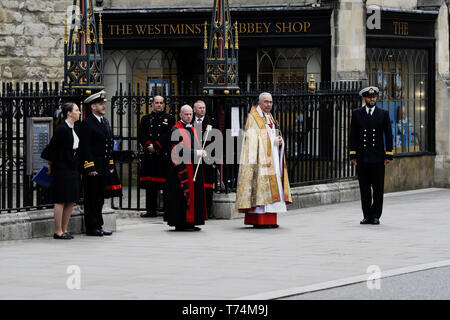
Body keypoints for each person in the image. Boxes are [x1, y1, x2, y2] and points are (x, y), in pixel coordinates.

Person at [235, 92, 292, 228]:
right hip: (260, 161)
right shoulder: (253, 118)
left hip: (272, 158)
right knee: (261, 188)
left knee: (274, 186)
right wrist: (272, 141)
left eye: (271, 102)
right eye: (266, 102)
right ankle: (259, 220)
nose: (269, 105)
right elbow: (251, 139)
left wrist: (279, 141)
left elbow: (274, 133)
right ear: (259, 103)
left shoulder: (270, 117)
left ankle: (271, 219)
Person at [349, 86, 393, 225]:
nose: (372, 99)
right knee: (364, 188)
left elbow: (389, 135)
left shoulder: (383, 114)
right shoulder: (357, 113)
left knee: (378, 188)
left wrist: (389, 154)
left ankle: (376, 216)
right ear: (365, 98)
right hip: (362, 157)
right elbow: (353, 135)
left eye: (374, 97)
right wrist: (353, 154)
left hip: (378, 157)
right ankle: (367, 215)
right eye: (369, 97)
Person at [41, 102, 81, 240]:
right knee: (61, 199)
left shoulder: (73, 127)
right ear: (69, 113)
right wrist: (51, 166)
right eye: (77, 110)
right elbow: (50, 150)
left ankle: (65, 229)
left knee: (71, 200)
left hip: (72, 168)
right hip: (62, 169)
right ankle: (58, 231)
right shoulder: (62, 129)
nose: (79, 112)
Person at [165, 105, 207, 231]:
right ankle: (181, 223)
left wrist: (201, 151)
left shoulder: (192, 128)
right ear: (181, 115)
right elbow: (178, 150)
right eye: (186, 114)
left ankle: (191, 222)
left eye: (190, 114)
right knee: (181, 197)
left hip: (193, 167)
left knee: (195, 196)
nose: (189, 117)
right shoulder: (176, 130)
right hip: (181, 170)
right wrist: (196, 153)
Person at [78, 90, 114, 236]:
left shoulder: (104, 121)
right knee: (91, 197)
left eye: (103, 104)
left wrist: (110, 164)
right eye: (100, 104)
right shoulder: (87, 123)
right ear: (93, 107)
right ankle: (92, 226)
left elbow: (109, 144)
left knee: (100, 197)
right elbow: (85, 147)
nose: (103, 106)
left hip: (103, 164)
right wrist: (89, 166)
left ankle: (99, 224)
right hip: (93, 165)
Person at [138, 96, 175, 217]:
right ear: (152, 104)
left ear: (164, 105)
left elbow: (169, 134)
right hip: (149, 156)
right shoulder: (145, 119)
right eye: (156, 103)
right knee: (150, 186)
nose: (159, 105)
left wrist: (157, 145)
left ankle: (167, 210)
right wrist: (148, 145)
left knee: (165, 185)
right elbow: (141, 135)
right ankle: (151, 210)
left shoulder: (169, 119)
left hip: (162, 156)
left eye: (161, 103)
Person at [192, 100, 217, 218]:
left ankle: (208, 211)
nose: (202, 110)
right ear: (194, 109)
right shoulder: (190, 122)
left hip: (208, 159)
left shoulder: (212, 122)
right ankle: (197, 210)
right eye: (200, 108)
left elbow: (218, 142)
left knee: (207, 187)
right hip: (194, 158)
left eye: (204, 107)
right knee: (196, 186)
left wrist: (215, 160)